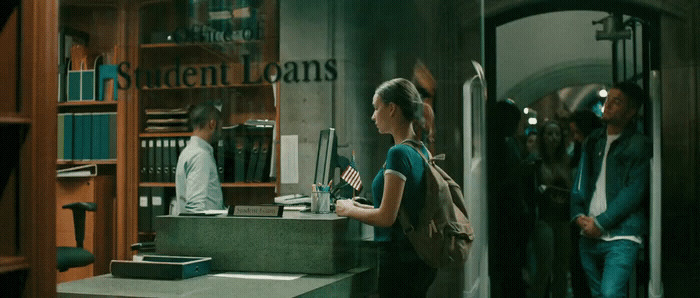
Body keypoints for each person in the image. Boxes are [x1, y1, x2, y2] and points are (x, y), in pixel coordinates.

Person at [335, 78, 436, 297]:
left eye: (376, 108)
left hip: (399, 260)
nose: (373, 116)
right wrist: (361, 206)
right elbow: (400, 210)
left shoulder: (398, 153)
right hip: (416, 257)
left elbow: (386, 218)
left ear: (392, 109)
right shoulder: (421, 150)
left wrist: (347, 210)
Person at [571, 82, 651, 297]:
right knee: (598, 294)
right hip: (588, 233)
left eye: (617, 102)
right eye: (609, 100)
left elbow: (634, 191)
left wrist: (601, 222)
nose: (608, 105)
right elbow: (580, 182)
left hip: (622, 235)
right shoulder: (593, 141)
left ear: (631, 111)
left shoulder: (638, 144)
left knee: (610, 294)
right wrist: (578, 215)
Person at [488, 99, 531, 298]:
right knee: (509, 266)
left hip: (515, 212)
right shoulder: (495, 145)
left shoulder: (510, 142)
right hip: (503, 215)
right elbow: (496, 184)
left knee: (515, 264)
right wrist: (519, 172)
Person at [527, 121, 571, 298]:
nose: (554, 138)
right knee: (544, 265)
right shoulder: (536, 160)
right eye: (549, 134)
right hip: (544, 217)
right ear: (542, 138)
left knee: (561, 267)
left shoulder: (566, 160)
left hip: (563, 217)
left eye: (557, 134)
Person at [567, 109, 601, 298]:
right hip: (579, 218)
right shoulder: (581, 152)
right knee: (579, 268)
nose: (576, 138)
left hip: (591, 216)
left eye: (578, 132)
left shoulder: (595, 150)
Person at [173, 102, 226, 215]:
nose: (221, 132)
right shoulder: (200, 156)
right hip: (204, 230)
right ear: (212, 124)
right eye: (220, 127)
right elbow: (195, 209)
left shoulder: (188, 151)